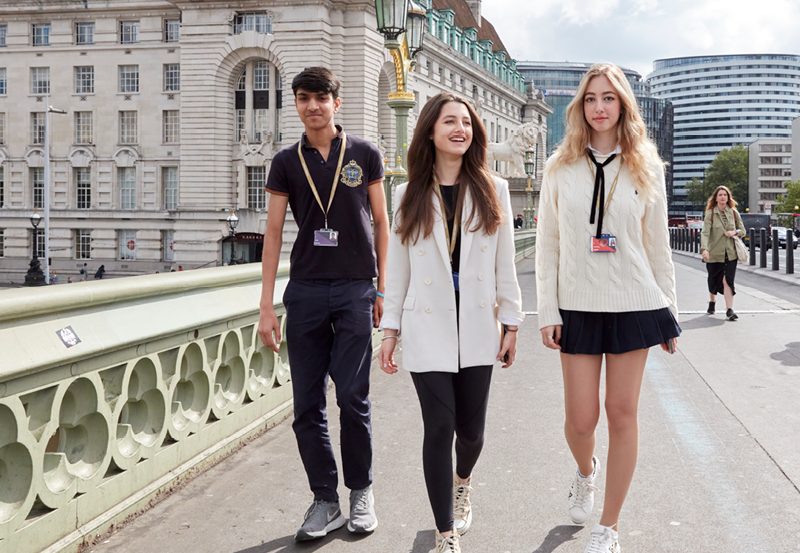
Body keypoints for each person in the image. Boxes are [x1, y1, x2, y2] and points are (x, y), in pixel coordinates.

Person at [536, 63, 680, 553]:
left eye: (609, 99)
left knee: (622, 413)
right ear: (581, 107)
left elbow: (657, 245)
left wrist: (670, 310)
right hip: (575, 304)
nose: (599, 107)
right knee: (580, 420)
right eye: (591, 98)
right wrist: (547, 311)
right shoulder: (559, 166)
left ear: (623, 106)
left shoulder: (647, 166)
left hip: (635, 302)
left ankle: (609, 526)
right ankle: (585, 470)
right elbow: (547, 244)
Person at [379, 92, 523, 553]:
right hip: (428, 325)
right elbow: (397, 267)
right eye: (449, 122)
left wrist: (513, 322)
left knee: (472, 432)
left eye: (466, 122)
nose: (459, 129)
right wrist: (390, 328)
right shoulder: (407, 193)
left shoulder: (492, 188)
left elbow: (505, 263)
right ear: (430, 131)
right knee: (438, 429)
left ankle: (464, 481)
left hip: (479, 323)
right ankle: (446, 533)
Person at [257, 67, 389, 541]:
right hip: (307, 289)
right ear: (296, 104)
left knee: (353, 397)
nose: (312, 105)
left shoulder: (364, 154)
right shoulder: (285, 161)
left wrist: (382, 289)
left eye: (320, 97)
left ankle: (361, 492)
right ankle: (325, 500)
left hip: (355, 287)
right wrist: (267, 305)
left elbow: (381, 222)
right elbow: (272, 234)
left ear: (338, 101)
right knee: (306, 404)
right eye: (302, 98)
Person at [700, 185, 745, 321]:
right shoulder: (711, 214)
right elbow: (705, 233)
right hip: (714, 253)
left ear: (728, 197)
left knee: (728, 281)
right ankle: (712, 301)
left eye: (725, 195)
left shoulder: (733, 213)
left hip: (730, 254)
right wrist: (704, 249)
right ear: (716, 198)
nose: (723, 197)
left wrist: (735, 232)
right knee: (713, 280)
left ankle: (729, 310)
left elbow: (742, 230)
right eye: (720, 195)